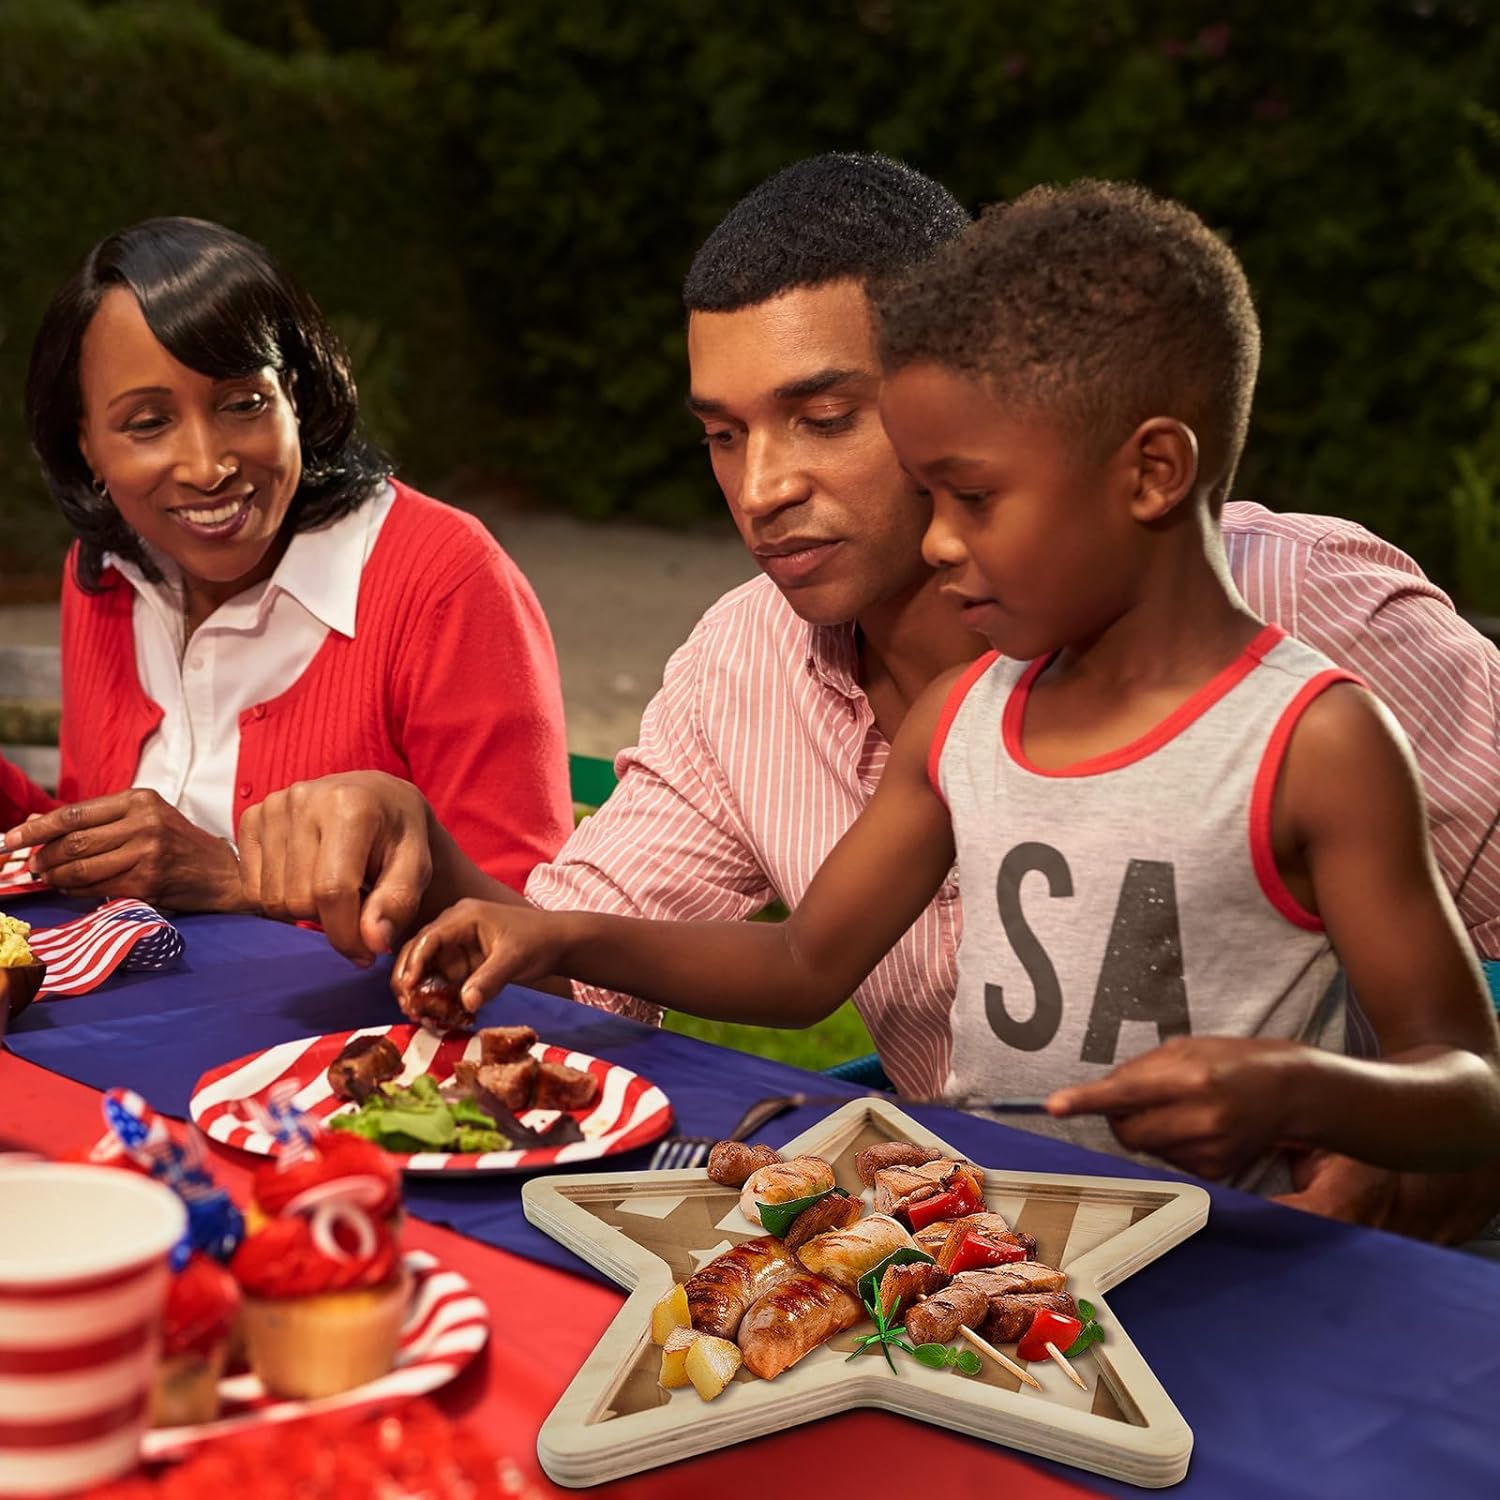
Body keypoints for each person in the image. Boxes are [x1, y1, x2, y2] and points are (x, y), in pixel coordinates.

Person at [237, 155, 1500, 1230]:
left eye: (826, 418)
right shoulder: (765, 675)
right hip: (995, 1255)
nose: (761, 488)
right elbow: (657, 971)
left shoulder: (1314, 634)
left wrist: (1386, 1154)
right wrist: (444, 871)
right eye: (723, 436)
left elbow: (1460, 1066)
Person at [0, 216, 570, 908]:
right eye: (147, 423)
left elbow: (534, 948)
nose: (209, 467)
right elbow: (94, 856)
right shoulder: (105, 572)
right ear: (85, 444)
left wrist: (231, 878)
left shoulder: (443, 580)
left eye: (244, 404)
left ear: (294, 396)